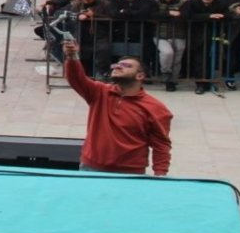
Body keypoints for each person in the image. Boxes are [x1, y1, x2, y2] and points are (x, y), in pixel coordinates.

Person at [61, 39, 173, 176]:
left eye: (126, 65)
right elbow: (76, 79)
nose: (117, 67)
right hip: (90, 168)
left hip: (130, 174)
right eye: (116, 65)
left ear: (140, 76)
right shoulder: (99, 92)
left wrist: (160, 175)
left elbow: (161, 145)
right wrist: (72, 56)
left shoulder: (156, 108)